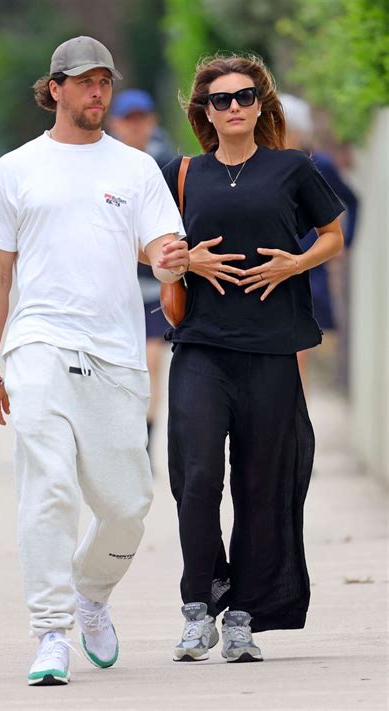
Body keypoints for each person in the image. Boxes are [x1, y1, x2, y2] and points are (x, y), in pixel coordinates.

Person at [0, 35, 188, 686]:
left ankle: (91, 594)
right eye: (84, 81)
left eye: (105, 81)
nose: (98, 91)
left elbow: (160, 248)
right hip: (36, 345)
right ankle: (51, 630)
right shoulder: (15, 169)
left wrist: (172, 260)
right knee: (50, 486)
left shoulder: (135, 168)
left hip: (116, 354)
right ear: (56, 88)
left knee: (127, 505)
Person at [161, 55, 344, 663]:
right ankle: (198, 605)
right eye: (220, 100)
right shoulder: (182, 173)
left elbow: (333, 236)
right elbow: (147, 247)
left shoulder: (293, 168)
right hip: (202, 348)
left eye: (244, 96)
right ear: (205, 112)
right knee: (197, 480)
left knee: (262, 486)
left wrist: (296, 263)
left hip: (270, 350)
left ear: (261, 104)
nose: (234, 106)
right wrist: (186, 260)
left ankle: (243, 614)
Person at [108, 89, 175, 451]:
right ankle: (118, 440)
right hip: (112, 283)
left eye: (141, 119)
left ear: (152, 121)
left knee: (151, 362)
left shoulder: (167, 163)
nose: (135, 127)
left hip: (151, 282)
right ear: (116, 123)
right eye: (128, 120)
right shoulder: (101, 162)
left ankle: (144, 442)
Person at [279, 94, 358, 386]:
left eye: (286, 127)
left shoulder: (319, 164)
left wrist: (345, 243)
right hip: (276, 257)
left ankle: (298, 400)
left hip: (314, 258)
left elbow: (352, 199)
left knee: (307, 330)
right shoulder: (264, 165)